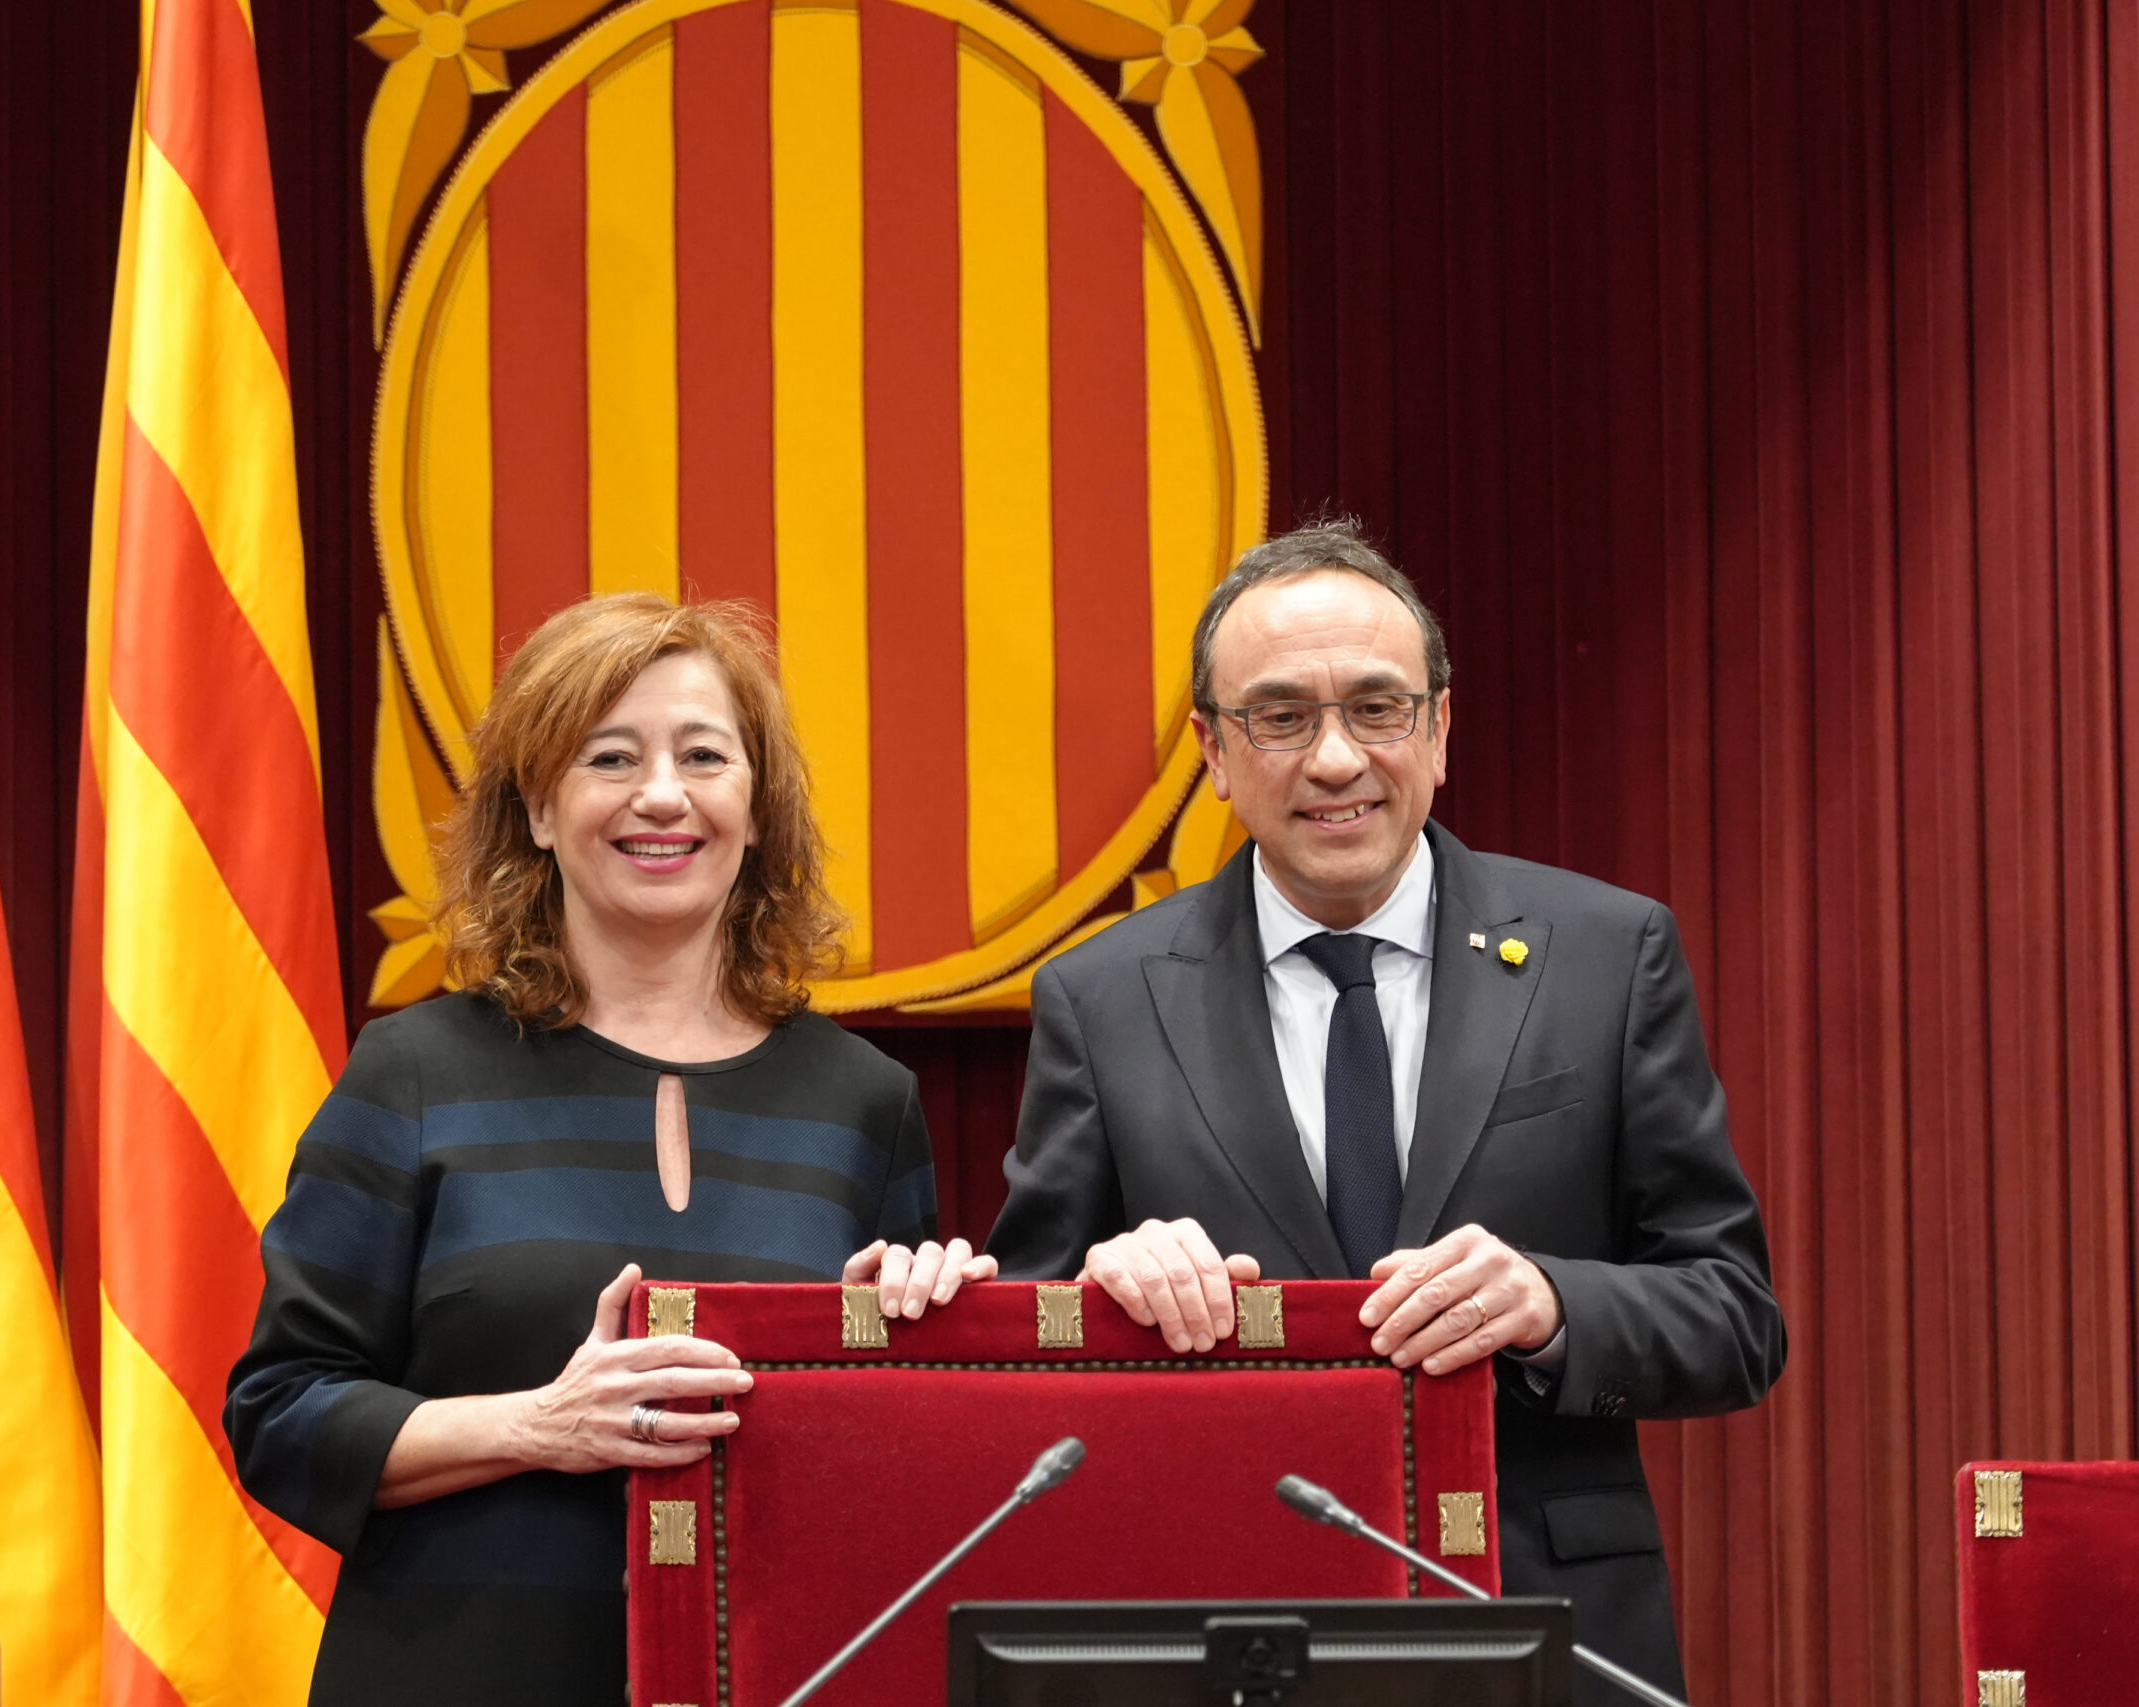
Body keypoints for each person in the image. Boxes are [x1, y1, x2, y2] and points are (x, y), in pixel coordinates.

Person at [986, 521, 1784, 1703]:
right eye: (1279, 717)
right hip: (1228, 1626)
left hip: (1544, 1626)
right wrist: (1106, 1293)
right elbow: (1021, 1355)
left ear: (1439, 729)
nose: (1334, 760)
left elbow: (1734, 1319)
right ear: (1212, 750)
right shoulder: (1102, 998)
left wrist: (1552, 1303)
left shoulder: (1606, 957)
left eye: (1376, 709)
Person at [226, 594, 994, 1706]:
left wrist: (915, 1345)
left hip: (775, 1676)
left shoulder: (865, 1101)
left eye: (703, 756)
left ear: (756, 809)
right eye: (611, 757)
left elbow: (893, 1469)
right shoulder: (415, 1073)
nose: (663, 794)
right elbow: (280, 1415)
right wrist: (539, 1424)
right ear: (540, 810)